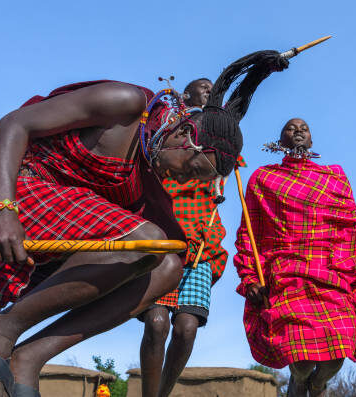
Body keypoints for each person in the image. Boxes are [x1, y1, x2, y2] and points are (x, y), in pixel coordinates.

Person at [0, 50, 289, 397]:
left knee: (170, 262)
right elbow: (14, 123)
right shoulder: (128, 104)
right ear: (184, 132)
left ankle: (29, 356)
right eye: (190, 169)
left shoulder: (152, 182)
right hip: (17, 201)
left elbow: (176, 253)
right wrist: (3, 210)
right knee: (149, 239)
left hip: (58, 236)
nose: (181, 177)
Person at [234, 118, 356, 397]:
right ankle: (300, 382)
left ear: (312, 140)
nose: (298, 131)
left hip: (331, 271)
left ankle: (317, 386)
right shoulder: (263, 178)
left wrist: (355, 265)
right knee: (301, 360)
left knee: (339, 349)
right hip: (287, 272)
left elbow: (353, 224)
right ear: (280, 142)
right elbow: (250, 233)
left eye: (304, 128)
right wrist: (250, 277)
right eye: (290, 128)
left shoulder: (334, 176)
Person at [138, 78, 236, 397]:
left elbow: (224, 160)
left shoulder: (217, 138)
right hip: (162, 239)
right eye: (202, 88)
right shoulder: (170, 131)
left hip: (201, 245)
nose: (208, 91)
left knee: (187, 328)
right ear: (187, 94)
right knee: (156, 324)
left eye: (211, 88)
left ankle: (162, 394)